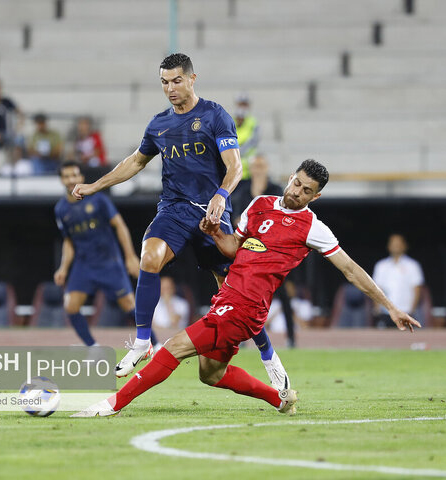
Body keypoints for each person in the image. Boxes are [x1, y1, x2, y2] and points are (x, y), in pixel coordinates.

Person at [72, 159, 421, 417]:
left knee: (175, 347)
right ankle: (280, 399)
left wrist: (390, 306)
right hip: (230, 299)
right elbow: (234, 249)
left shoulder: (313, 228)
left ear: (317, 197)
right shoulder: (260, 205)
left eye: (307, 191)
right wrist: (213, 234)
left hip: (245, 306)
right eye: (297, 183)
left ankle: (111, 404)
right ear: (291, 178)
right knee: (211, 374)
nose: (297, 192)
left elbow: (350, 269)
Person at [71, 53, 288, 389]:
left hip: (212, 213)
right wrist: (96, 185)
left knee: (234, 291)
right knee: (150, 257)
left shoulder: (216, 116)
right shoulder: (159, 124)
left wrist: (221, 196)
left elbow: (235, 168)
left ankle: (268, 355)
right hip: (173, 209)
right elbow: (134, 162)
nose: (169, 88)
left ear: (191, 79)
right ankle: (143, 340)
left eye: (175, 81)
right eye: (163, 82)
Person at [54, 161, 159, 348]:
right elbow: (68, 241)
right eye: (66, 176)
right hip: (83, 264)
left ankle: (156, 345)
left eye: (74, 175)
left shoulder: (98, 200)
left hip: (109, 261)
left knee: (129, 306)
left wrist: (130, 256)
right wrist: (63, 267)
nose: (71, 180)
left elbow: (120, 226)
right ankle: (92, 348)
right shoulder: (61, 209)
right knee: (71, 306)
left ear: (81, 178)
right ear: (62, 180)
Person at [231, 154, 297, 346]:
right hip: (248, 252)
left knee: (283, 295)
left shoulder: (276, 190)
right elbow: (237, 219)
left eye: (261, 166)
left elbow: (282, 220)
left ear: (267, 167)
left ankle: (291, 338)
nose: (258, 169)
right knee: (243, 296)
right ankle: (240, 337)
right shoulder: (242, 190)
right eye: (255, 166)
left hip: (273, 253)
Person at [371, 233, 424, 328]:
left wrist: (412, 310)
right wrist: (377, 309)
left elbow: (417, 289)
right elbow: (375, 288)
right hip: (385, 313)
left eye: (398, 243)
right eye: (393, 243)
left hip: (406, 312)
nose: (396, 246)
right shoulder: (381, 266)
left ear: (405, 246)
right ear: (388, 246)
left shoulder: (413, 266)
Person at [234, 93, 260, 180]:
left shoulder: (253, 122)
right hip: (233, 167)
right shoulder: (230, 121)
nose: (242, 107)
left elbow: (253, 142)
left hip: (248, 168)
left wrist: (237, 153)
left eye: (244, 104)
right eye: (240, 104)